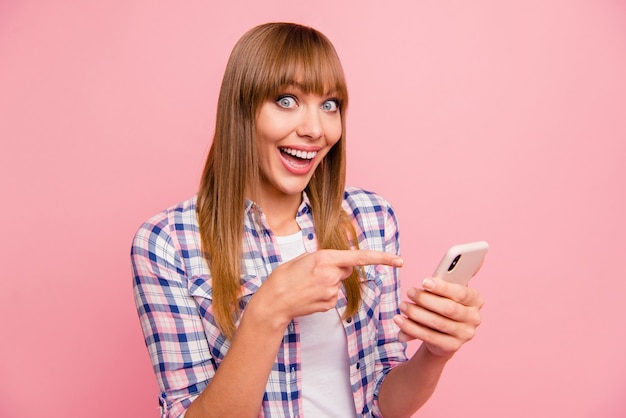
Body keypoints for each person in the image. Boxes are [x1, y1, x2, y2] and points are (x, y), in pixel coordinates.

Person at [131, 22, 484, 418]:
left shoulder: (369, 217)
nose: (315, 130)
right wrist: (268, 310)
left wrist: (435, 354)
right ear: (241, 110)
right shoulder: (168, 242)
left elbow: (383, 401)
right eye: (286, 100)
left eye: (329, 105)